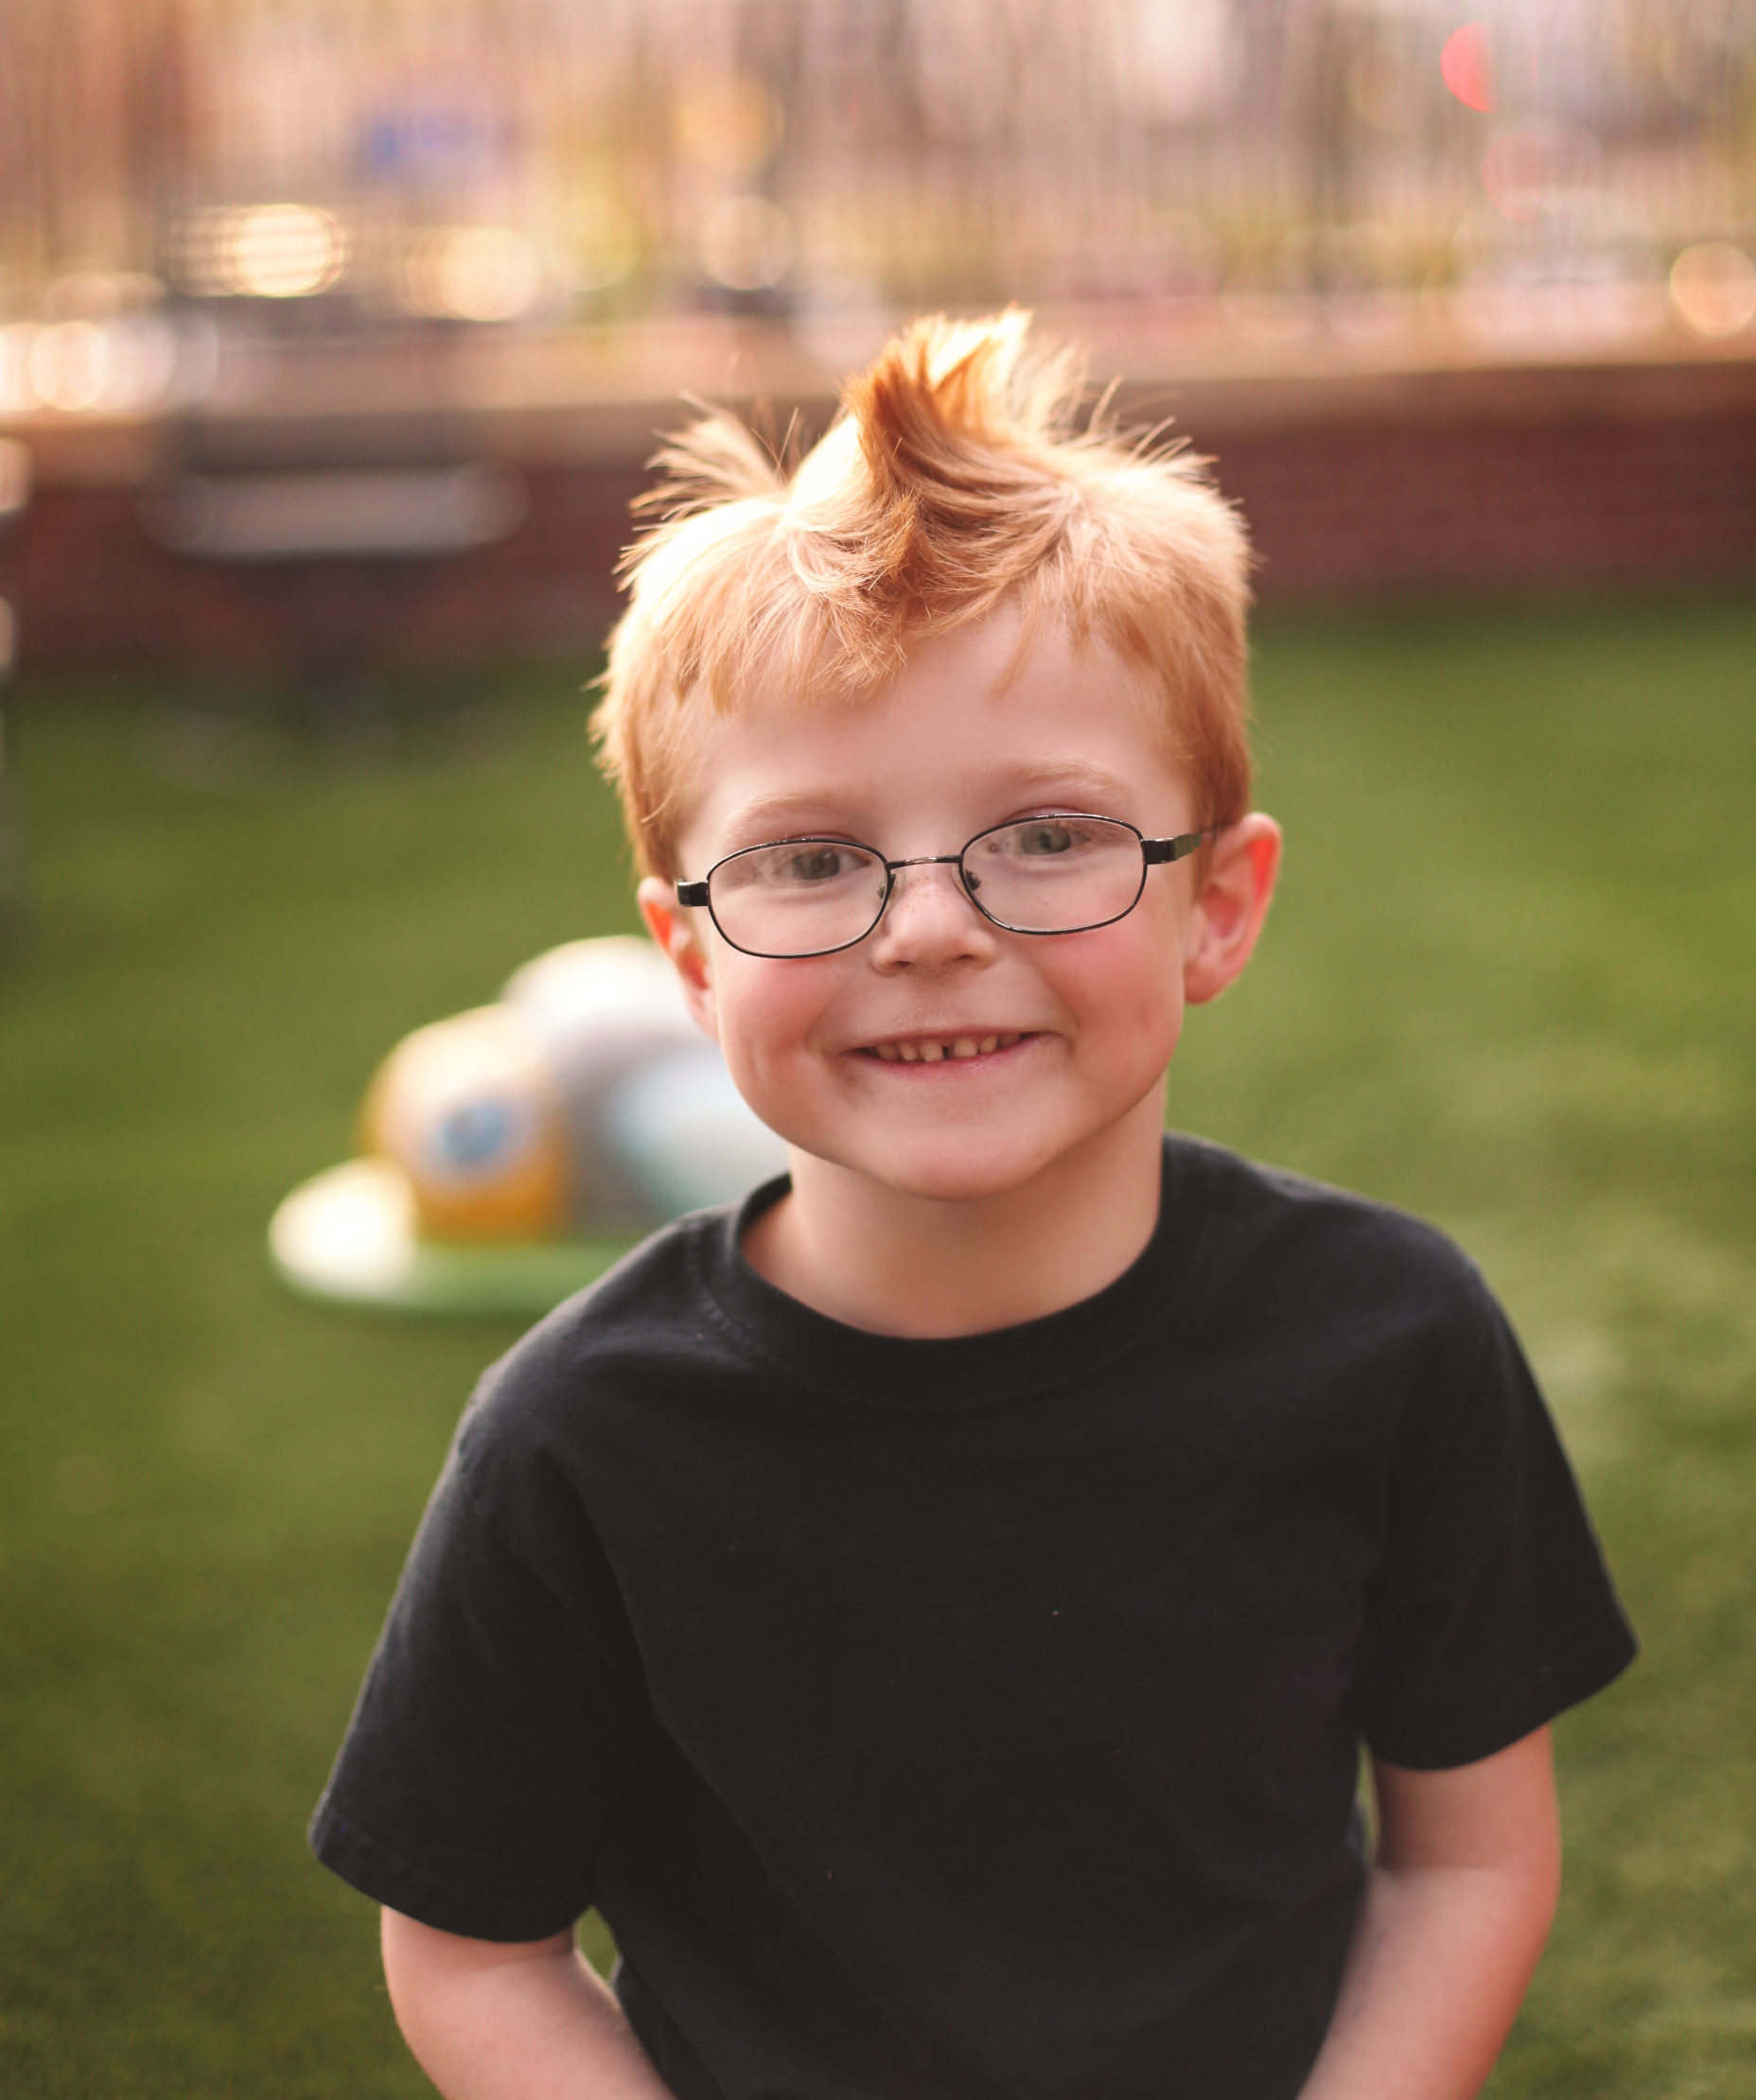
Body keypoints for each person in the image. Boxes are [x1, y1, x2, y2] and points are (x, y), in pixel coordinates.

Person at [310, 312, 1636, 2100]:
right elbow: (473, 1950)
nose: (931, 928)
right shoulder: (579, 1439)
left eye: (1050, 834)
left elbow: (1467, 1855)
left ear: (1218, 909)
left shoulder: (1392, 1340)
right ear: (689, 958)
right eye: (807, 859)